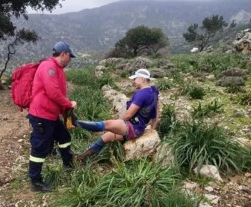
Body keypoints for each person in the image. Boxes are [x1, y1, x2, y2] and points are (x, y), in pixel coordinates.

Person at [75, 68, 159, 161]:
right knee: (105, 137)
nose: (133, 81)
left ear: (142, 79)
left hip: (132, 127)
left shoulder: (141, 94)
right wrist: (153, 127)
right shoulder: (154, 91)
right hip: (140, 128)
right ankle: (80, 158)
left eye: (135, 78)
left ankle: (75, 123)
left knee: (106, 124)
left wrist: (118, 123)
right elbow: (156, 111)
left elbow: (128, 115)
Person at [27, 41, 77, 192]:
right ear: (64, 54)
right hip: (42, 115)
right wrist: (69, 104)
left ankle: (68, 164)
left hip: (51, 115)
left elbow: (59, 94)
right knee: (40, 148)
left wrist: (67, 115)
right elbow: (52, 92)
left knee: (64, 137)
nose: (70, 60)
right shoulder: (48, 67)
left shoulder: (58, 70)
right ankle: (36, 181)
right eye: (70, 57)